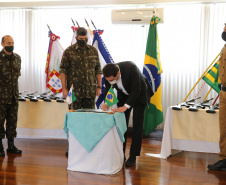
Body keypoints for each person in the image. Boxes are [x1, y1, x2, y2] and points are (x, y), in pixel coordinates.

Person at [60, 27, 102, 157]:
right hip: (74, 93)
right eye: (80, 39)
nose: (83, 41)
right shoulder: (69, 51)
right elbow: (63, 71)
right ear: (76, 37)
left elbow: (98, 70)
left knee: (89, 119)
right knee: (74, 120)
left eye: (85, 39)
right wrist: (64, 89)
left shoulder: (93, 51)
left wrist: (99, 86)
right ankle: (72, 146)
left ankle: (88, 145)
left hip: (90, 91)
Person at [101, 61, 153, 167]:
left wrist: (125, 107)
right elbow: (108, 90)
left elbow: (136, 90)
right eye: (108, 80)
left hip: (139, 94)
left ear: (118, 74)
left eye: (111, 80)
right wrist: (107, 103)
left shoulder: (131, 68)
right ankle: (121, 153)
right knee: (122, 124)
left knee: (137, 126)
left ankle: (133, 156)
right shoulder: (108, 74)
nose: (110, 82)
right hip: (124, 94)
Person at [208, 23, 226, 171]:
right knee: (223, 128)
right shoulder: (224, 47)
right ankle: (224, 159)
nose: (224, 29)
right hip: (224, 92)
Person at [0, 35, 22, 157]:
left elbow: (17, 76)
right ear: (2, 44)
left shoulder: (17, 58)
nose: (11, 45)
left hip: (13, 96)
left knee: (12, 122)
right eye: (8, 43)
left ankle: (11, 146)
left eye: (12, 43)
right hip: (1, 97)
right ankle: (0, 147)